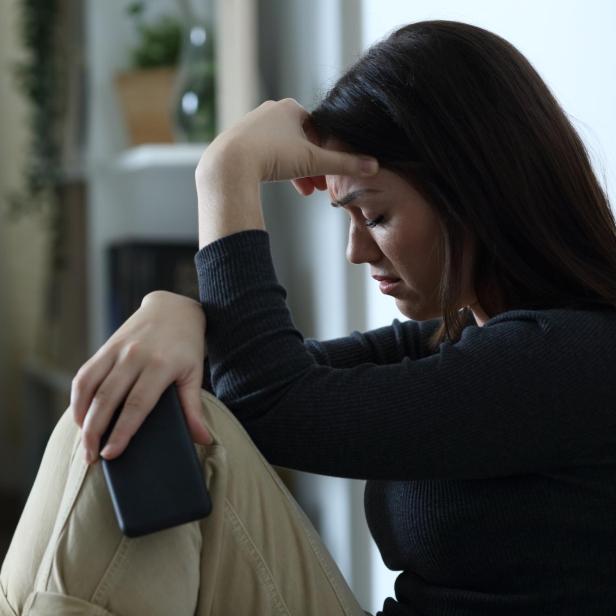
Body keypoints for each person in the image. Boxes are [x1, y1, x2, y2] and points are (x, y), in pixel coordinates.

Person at [3, 18, 616, 616]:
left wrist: (226, 173)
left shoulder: (576, 358)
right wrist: (173, 310)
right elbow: (233, 383)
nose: (357, 252)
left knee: (136, 421)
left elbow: (270, 402)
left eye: (373, 216)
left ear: (476, 191)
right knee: (133, 404)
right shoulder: (455, 342)